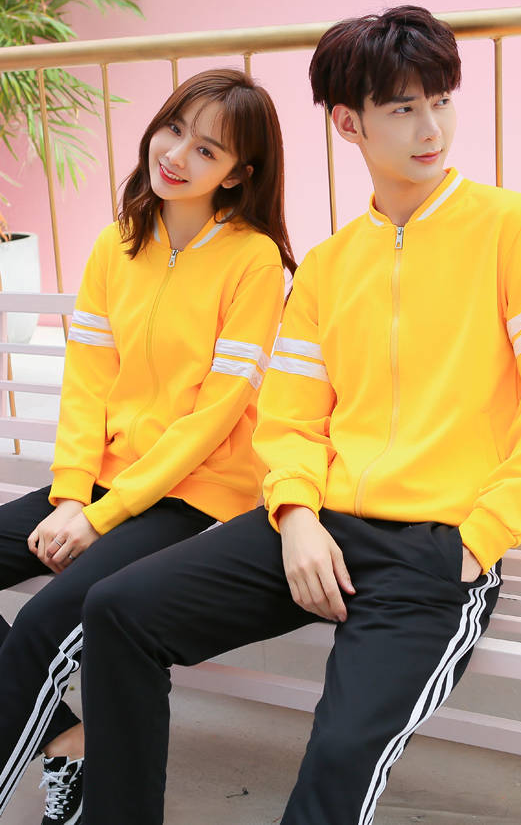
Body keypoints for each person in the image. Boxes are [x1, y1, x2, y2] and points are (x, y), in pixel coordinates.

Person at [79, 6, 521, 825]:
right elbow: (289, 418)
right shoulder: (326, 265)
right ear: (349, 123)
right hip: (316, 527)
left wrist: (478, 540)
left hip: (437, 548)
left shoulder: (513, 228)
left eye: (440, 101)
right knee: (117, 610)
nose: (431, 128)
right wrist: (294, 515)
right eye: (403, 108)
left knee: (342, 751)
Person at [0, 68, 293, 824]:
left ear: (239, 173)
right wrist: (73, 494)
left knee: (42, 626)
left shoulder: (254, 260)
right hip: (99, 484)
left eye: (208, 150)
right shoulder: (117, 243)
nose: (178, 155)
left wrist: (101, 516)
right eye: (174, 130)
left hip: (192, 496)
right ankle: (68, 740)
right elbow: (88, 381)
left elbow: (214, 415)